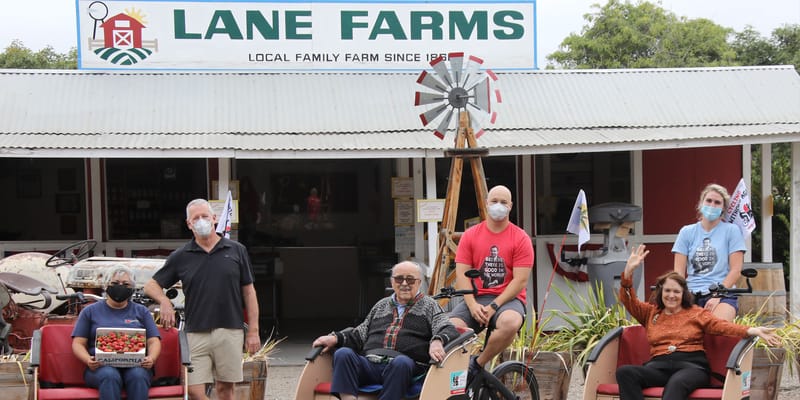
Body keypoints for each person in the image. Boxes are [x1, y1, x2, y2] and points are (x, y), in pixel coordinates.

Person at [617, 244, 781, 400]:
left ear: (683, 294)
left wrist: (753, 330)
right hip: (658, 366)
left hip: (691, 367)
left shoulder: (696, 313)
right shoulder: (650, 313)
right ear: (661, 292)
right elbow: (628, 299)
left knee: (676, 383)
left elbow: (723, 326)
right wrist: (628, 272)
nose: (671, 295)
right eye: (667, 291)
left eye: (676, 291)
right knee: (625, 373)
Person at [144, 198, 261, 400]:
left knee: (226, 389)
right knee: (194, 389)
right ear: (189, 224)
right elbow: (151, 285)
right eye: (195, 218)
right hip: (196, 331)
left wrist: (253, 331)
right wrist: (164, 302)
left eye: (204, 216)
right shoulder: (181, 256)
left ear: (214, 218)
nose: (201, 221)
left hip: (229, 329)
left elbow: (249, 292)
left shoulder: (236, 250)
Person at [311, 261, 459, 400]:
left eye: (410, 279)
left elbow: (447, 328)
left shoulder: (429, 305)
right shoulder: (381, 305)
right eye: (399, 279)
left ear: (419, 282)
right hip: (371, 364)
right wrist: (336, 338)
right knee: (343, 354)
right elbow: (359, 334)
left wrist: (437, 341)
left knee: (401, 363)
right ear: (392, 281)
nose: (404, 284)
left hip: (405, 366)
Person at [449, 185, 534, 378]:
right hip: (475, 297)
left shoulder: (520, 238)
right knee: (450, 328)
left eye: (503, 202)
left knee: (510, 323)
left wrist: (495, 305)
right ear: (486, 204)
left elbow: (520, 280)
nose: (498, 206)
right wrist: (471, 305)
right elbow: (461, 274)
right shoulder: (470, 235)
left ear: (511, 206)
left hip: (508, 300)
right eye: (494, 201)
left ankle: (477, 364)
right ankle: (456, 374)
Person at [71, 265, 161, 400]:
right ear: (106, 285)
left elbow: (154, 340)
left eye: (126, 284)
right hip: (100, 367)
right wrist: (88, 360)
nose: (120, 286)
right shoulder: (89, 311)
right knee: (109, 375)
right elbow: (78, 343)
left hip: (136, 365)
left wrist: (152, 358)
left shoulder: (141, 311)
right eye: (115, 283)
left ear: (132, 288)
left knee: (138, 376)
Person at [673, 183, 747, 321]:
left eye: (717, 202)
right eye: (709, 201)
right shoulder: (686, 232)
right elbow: (678, 273)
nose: (712, 205)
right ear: (701, 203)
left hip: (723, 293)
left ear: (723, 208)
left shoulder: (731, 231)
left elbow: (735, 271)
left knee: (716, 327)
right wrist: (681, 297)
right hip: (691, 293)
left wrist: (717, 296)